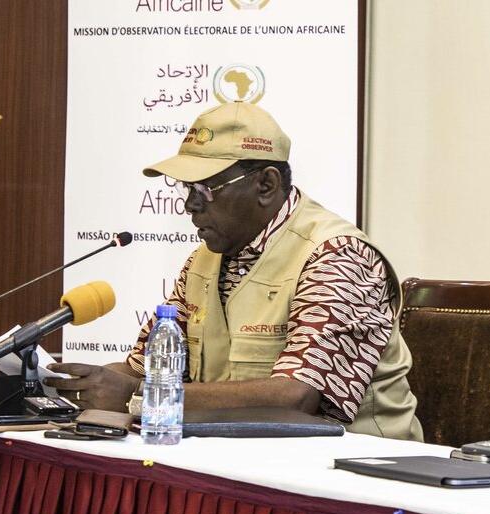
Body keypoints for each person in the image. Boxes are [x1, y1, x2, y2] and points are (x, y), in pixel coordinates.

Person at [45, 102, 423, 441]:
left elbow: (298, 397)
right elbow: (138, 369)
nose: (190, 206)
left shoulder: (338, 257)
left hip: (353, 481)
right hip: (239, 465)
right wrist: (65, 386)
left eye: (207, 188)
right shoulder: (204, 260)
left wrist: (138, 396)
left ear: (266, 184)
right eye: (186, 188)